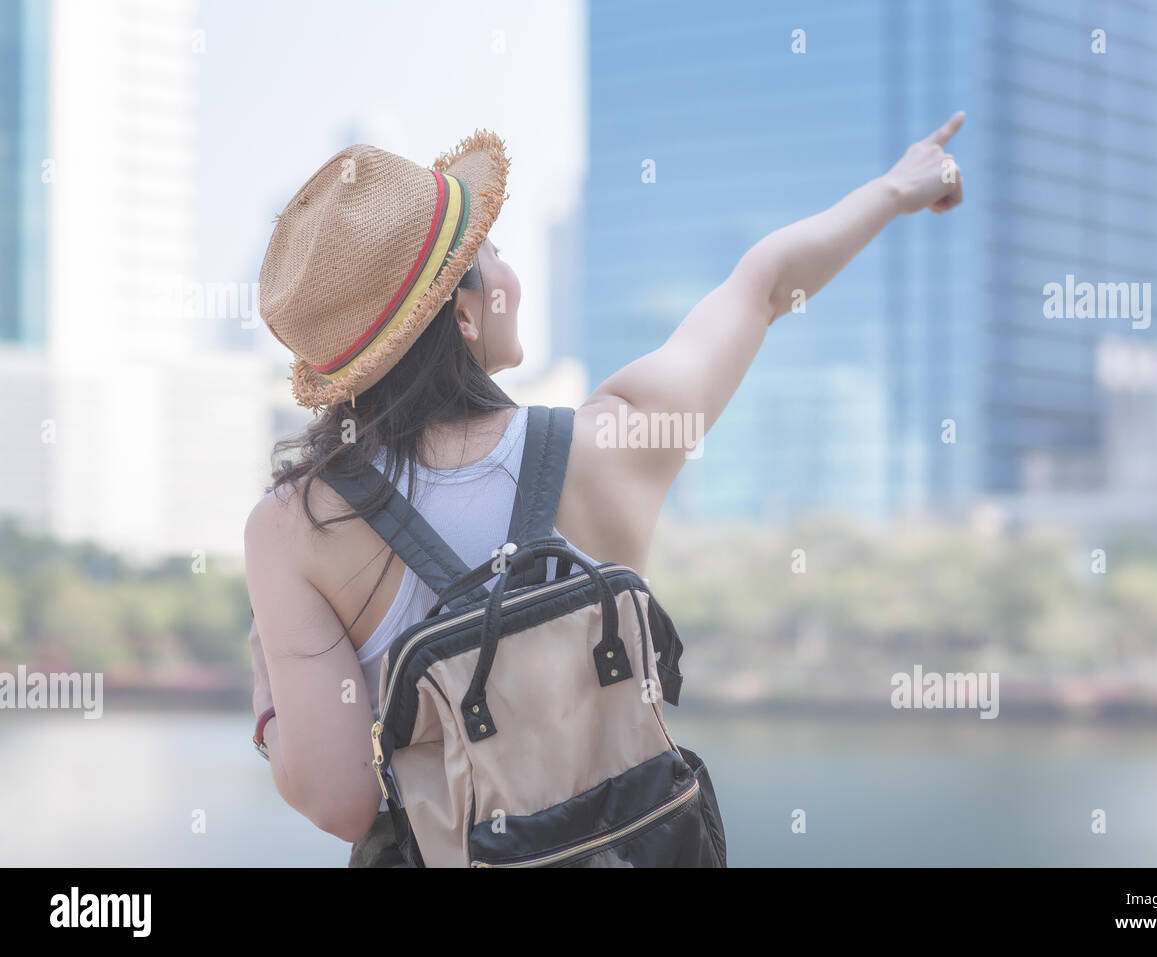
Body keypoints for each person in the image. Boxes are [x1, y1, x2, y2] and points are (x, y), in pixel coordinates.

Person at [244, 116, 965, 863]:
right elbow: (764, 284)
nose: (510, 273)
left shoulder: (295, 525)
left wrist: (270, 690)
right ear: (464, 313)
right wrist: (896, 189)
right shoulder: (613, 444)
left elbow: (341, 799)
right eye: (491, 254)